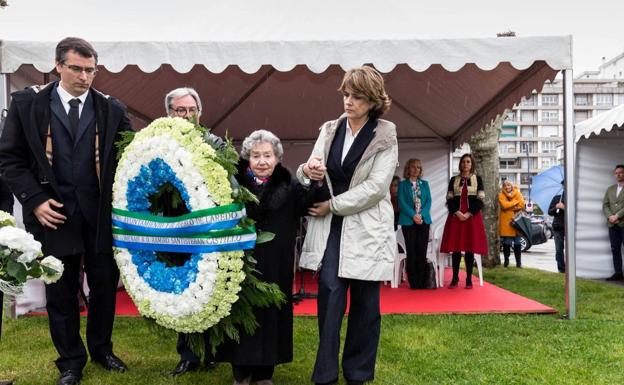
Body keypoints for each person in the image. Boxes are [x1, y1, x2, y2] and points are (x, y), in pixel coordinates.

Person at [0, 37, 131, 385]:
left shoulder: (112, 109)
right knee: (60, 290)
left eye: (90, 70)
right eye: (76, 68)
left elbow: (131, 158)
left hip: (100, 217)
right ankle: (71, 360)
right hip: (52, 215)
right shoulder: (27, 104)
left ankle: (102, 350)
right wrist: (35, 200)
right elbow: (9, 159)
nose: (84, 76)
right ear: (58, 66)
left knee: (104, 287)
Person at [297, 66, 397, 385]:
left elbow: (377, 188)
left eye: (356, 96)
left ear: (372, 101)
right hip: (331, 231)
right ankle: (325, 376)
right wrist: (306, 170)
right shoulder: (329, 129)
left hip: (367, 230)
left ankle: (358, 375)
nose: (348, 101)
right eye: (345, 94)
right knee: (329, 305)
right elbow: (308, 169)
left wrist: (333, 205)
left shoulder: (385, 134)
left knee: (366, 310)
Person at [218, 130, 316, 385]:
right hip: (240, 262)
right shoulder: (232, 185)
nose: (262, 161)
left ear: (277, 158)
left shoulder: (290, 184)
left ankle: (264, 374)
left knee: (272, 314)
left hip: (277, 263)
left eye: (268, 155)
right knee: (240, 313)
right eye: (256, 156)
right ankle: (241, 372)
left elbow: (308, 203)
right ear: (247, 158)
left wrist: (312, 180)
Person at [163, 87, 221, 376]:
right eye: (179, 110)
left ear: (200, 112)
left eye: (190, 110)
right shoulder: (158, 144)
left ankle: (212, 351)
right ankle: (188, 355)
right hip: (174, 230)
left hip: (209, 230)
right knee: (184, 291)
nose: (186, 116)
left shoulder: (215, 143)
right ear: (169, 113)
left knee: (210, 288)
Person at [439, 153, 488, 289]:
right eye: (463, 162)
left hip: (472, 218)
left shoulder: (478, 179)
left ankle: (468, 279)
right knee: (455, 249)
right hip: (455, 217)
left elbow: (480, 199)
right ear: (460, 164)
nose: (465, 164)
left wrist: (469, 213)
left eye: (468, 162)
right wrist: (457, 212)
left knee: (469, 249)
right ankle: (454, 278)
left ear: (472, 164)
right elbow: (449, 199)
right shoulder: (453, 179)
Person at [397, 159, 432, 289]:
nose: (416, 169)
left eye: (418, 167)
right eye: (413, 167)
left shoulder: (425, 184)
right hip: (408, 221)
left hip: (424, 221)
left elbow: (429, 201)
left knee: (421, 251)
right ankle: (413, 281)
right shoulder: (402, 184)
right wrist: (414, 215)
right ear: (408, 169)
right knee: (411, 251)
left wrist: (421, 215)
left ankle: (423, 281)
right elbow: (401, 202)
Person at [602, 164, 624, 281]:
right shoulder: (610, 189)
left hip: (622, 223)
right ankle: (618, 273)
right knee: (615, 249)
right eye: (616, 173)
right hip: (612, 224)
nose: (618, 175)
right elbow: (605, 205)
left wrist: (617, 215)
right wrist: (610, 216)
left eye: (621, 172)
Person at [498, 179, 525, 268]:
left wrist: (510, 206)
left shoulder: (518, 193)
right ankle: (506, 261)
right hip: (507, 222)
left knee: (518, 243)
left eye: (509, 185)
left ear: (512, 186)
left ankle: (519, 263)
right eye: (505, 185)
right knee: (507, 243)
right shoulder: (501, 195)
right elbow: (504, 206)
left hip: (517, 221)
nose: (507, 187)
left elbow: (522, 205)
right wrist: (515, 202)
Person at [548, 181, 565, 273]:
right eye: (564, 184)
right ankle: (561, 268)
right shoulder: (557, 198)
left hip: (570, 226)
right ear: (562, 186)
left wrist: (565, 207)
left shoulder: (573, 198)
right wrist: (556, 207)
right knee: (559, 249)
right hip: (558, 226)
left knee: (571, 249)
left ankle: (572, 268)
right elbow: (550, 212)